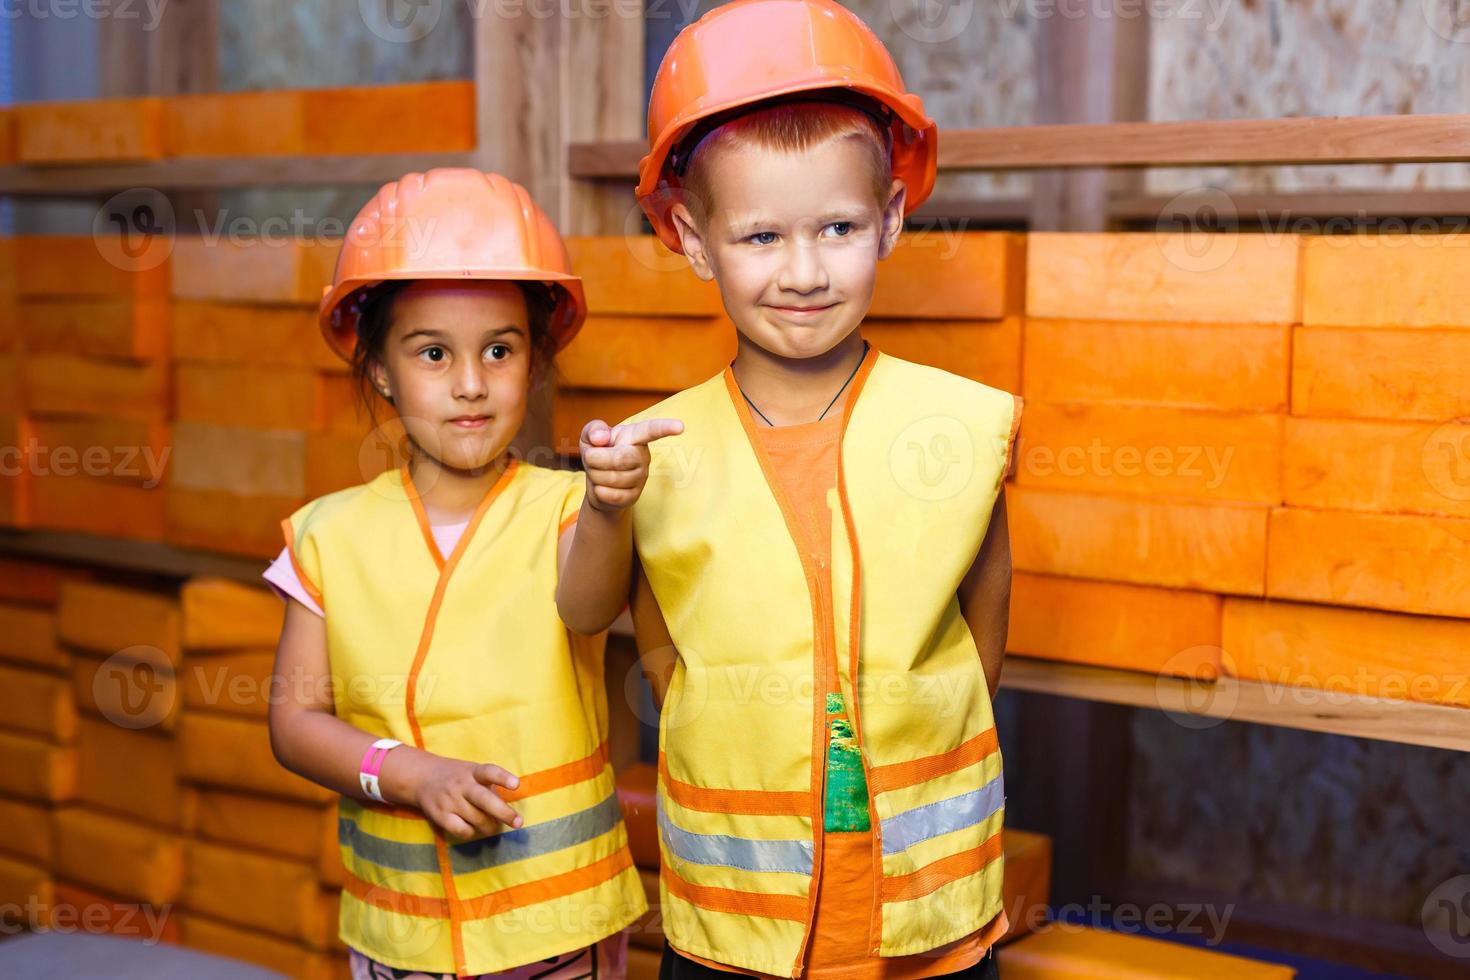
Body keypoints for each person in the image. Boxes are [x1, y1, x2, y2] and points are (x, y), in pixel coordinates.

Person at [557, 2, 1023, 977]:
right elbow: (583, 608)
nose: (804, 271)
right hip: (741, 928)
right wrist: (604, 505)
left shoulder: (954, 425)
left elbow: (985, 620)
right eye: (762, 236)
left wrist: (920, 715)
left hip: (924, 916)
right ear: (694, 238)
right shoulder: (661, 445)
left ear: (891, 217)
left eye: (839, 227)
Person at [266, 168, 646, 980]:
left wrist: (613, 507)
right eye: (433, 353)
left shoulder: (569, 511)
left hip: (555, 933)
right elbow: (294, 722)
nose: (471, 383)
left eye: (499, 350)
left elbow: (589, 607)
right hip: (397, 943)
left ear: (535, 360)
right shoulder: (327, 536)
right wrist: (404, 774)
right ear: (378, 371)